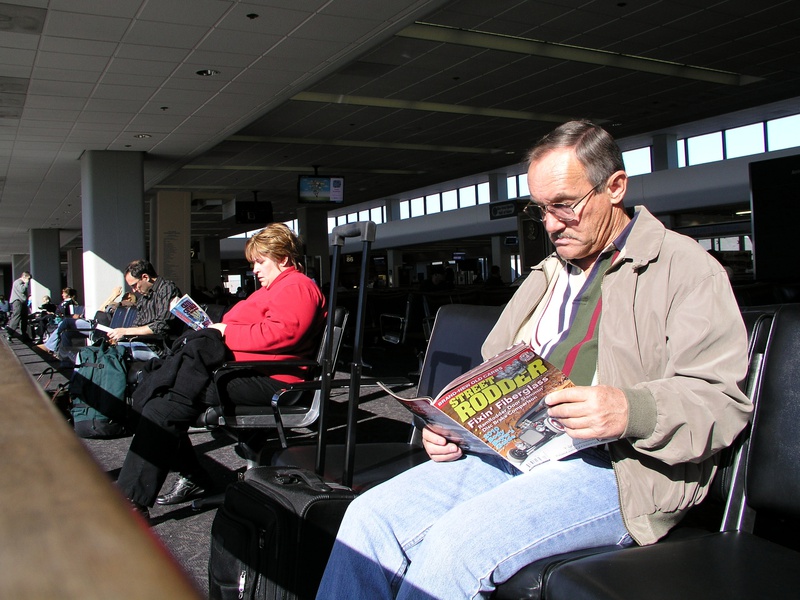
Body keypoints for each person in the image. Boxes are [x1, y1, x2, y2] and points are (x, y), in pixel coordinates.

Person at [316, 120, 752, 599]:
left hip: (619, 468)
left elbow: (720, 398)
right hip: (517, 451)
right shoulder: (546, 275)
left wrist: (631, 409)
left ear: (615, 188)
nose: (548, 224)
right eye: (540, 209)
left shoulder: (683, 268)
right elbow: (491, 370)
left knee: (455, 547)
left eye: (564, 206)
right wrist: (454, 424)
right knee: (368, 519)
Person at [116, 223, 326, 517]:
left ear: (284, 259)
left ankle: (152, 492)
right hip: (250, 370)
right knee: (161, 403)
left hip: (274, 379)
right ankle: (160, 488)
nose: (255, 270)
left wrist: (224, 332)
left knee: (163, 402)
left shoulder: (297, 286)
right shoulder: (274, 289)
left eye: (260, 261)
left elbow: (283, 334)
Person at [106, 260, 181, 344]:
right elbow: (137, 324)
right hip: (142, 343)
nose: (134, 290)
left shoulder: (167, 289)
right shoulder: (143, 298)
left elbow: (162, 325)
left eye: (134, 285)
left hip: (161, 346)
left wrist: (126, 331)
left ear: (145, 277)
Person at [6, 271, 32, 342]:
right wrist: (26, 283)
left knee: (24, 318)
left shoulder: (22, 283)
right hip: (17, 301)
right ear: (24, 277)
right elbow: (22, 290)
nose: (28, 281)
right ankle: (10, 333)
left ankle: (24, 335)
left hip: (22, 302)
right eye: (28, 278)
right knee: (17, 316)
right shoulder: (18, 282)